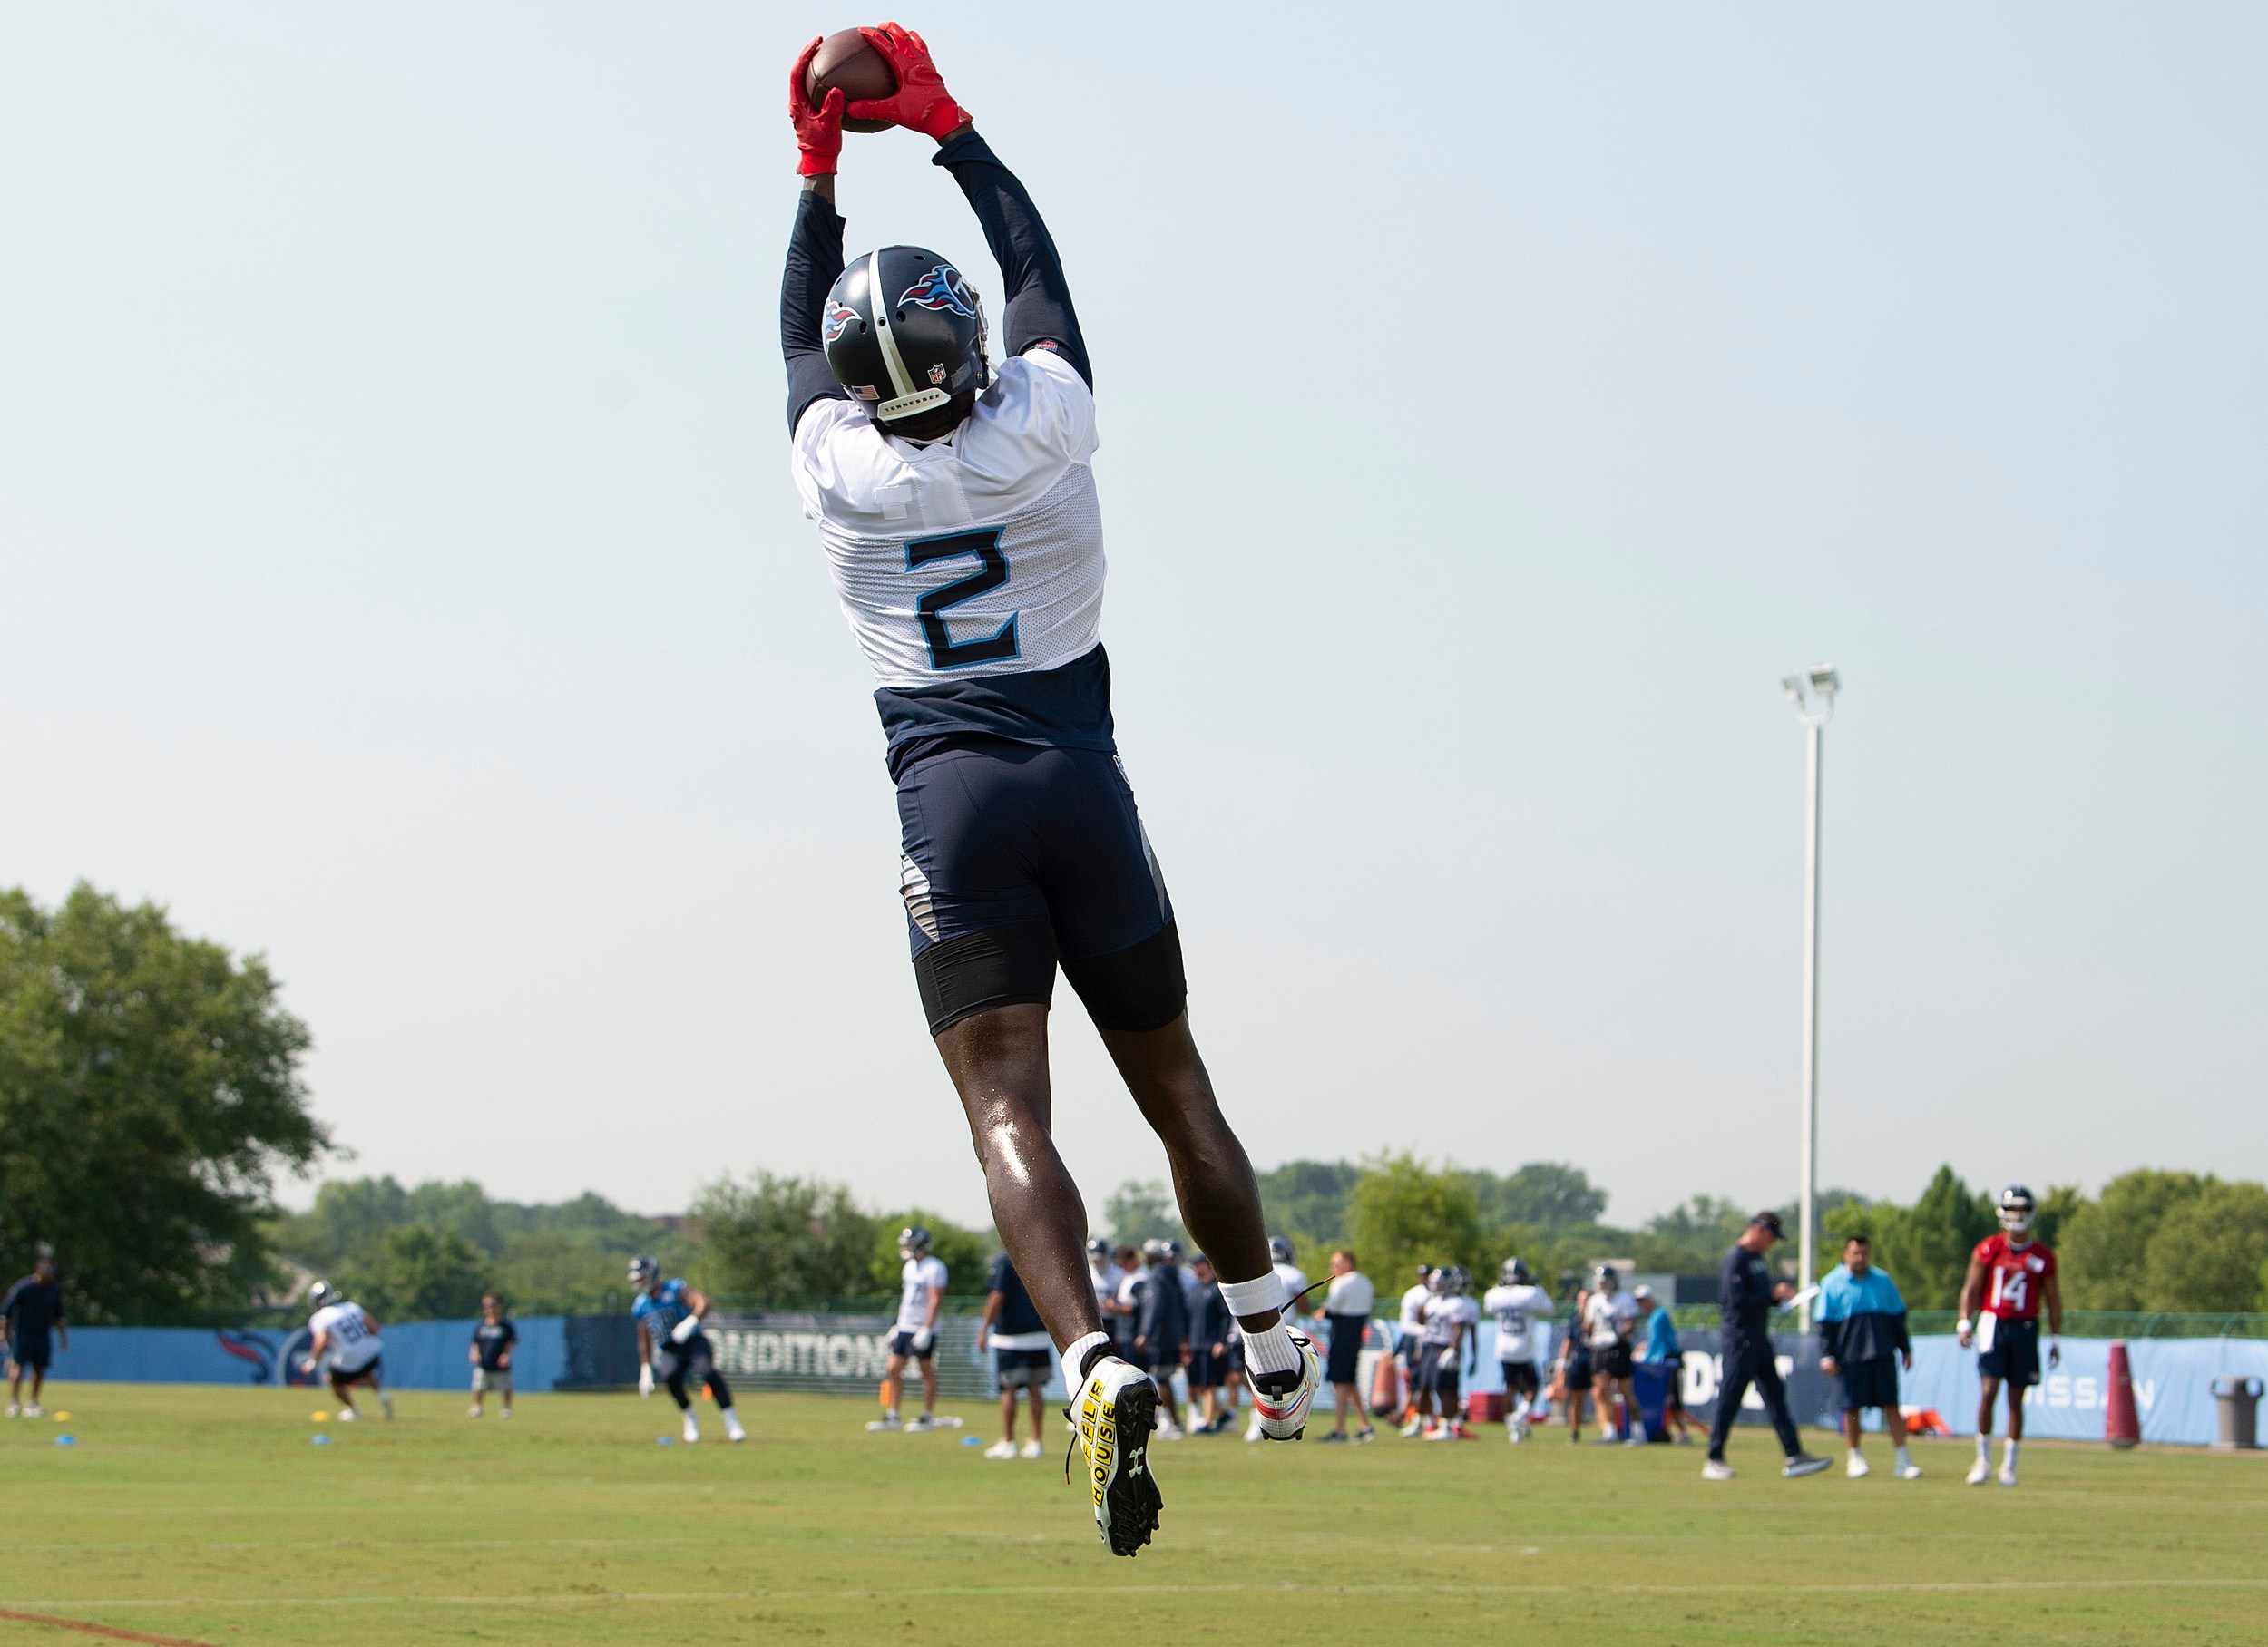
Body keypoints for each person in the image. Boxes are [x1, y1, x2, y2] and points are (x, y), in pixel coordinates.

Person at [781, 24, 1320, 1556]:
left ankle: (1089, 1351)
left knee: (1007, 1113)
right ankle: (1269, 1340)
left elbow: (793, 348)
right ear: (966, 352)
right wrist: (948, 128)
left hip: (952, 805)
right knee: (1180, 1088)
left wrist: (816, 170)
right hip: (1083, 783)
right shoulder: (1048, 424)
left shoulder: (839, 474)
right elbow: (1038, 270)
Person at [1702, 1213, 1829, 1479]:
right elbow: (1734, 1299)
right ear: (1759, 1231)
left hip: (1759, 1338)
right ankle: (1714, 1457)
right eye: (1771, 1237)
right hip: (1740, 1339)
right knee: (1730, 1397)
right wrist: (1770, 1295)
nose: (1771, 1244)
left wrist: (1777, 1296)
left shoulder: (1757, 1260)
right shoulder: (1735, 1258)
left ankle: (1794, 1455)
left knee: (1775, 1397)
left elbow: (1757, 1297)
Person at [1957, 1185, 2062, 1487]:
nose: (2018, 1216)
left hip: (2026, 1327)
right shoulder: (1988, 1249)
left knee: (2016, 1398)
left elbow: (2053, 1299)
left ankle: (2010, 1465)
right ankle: (1983, 1460)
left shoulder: (2042, 1256)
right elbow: (1972, 1288)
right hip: (1993, 1323)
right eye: (2013, 1210)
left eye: (2023, 1210)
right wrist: (1964, 1321)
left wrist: (2056, 1339)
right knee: (1988, 1391)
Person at [1817, 1237, 1920, 1479]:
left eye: (1864, 1253)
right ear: (1846, 1254)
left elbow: (1897, 1318)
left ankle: (1903, 1459)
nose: (1860, 1258)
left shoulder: (1883, 1280)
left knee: (1891, 1405)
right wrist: (1826, 1355)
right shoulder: (1832, 1283)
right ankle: (1855, 1457)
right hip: (1851, 1355)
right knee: (1852, 1407)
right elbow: (1825, 1324)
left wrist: (1905, 1349)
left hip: (1882, 1352)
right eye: (1855, 1253)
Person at [631, 1255, 746, 1444]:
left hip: (693, 1342)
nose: (640, 1283)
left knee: (706, 1371)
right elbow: (644, 1340)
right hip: (670, 1348)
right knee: (670, 1376)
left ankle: (731, 1420)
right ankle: (690, 1417)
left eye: (642, 1277)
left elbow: (703, 1302)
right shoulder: (640, 1305)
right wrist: (645, 1369)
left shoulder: (675, 1289)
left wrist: (691, 1321)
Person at [871, 1226, 955, 1433]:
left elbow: (936, 1300)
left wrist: (927, 1329)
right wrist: (898, 1325)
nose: (907, 1247)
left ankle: (927, 1416)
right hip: (906, 1326)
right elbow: (907, 1300)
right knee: (892, 1369)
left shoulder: (935, 1267)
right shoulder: (909, 1267)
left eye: (910, 1243)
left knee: (925, 1370)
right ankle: (893, 1415)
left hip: (924, 1328)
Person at [978, 1249, 1051, 1459]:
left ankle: (1009, 1441)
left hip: (1010, 1336)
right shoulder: (1039, 1255)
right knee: (1035, 1389)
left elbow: (997, 1295)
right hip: (1038, 1332)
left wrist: (984, 1328)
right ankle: (1036, 1441)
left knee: (1008, 1389)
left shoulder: (1005, 1259)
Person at [1243, 1237, 1312, 1443]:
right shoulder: (1295, 1275)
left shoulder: (1257, 1272)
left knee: (1258, 1380)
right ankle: (1289, 1425)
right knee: (1291, 1383)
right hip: (1287, 1332)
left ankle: (1257, 1424)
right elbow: (1304, 1307)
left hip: (1256, 1334)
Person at [1482, 1258, 1554, 1443]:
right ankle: (1521, 1414)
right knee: (1533, 1385)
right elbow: (1549, 1309)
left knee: (1510, 1387)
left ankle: (1513, 1428)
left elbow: (1488, 1306)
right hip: (1524, 1347)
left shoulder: (1495, 1294)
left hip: (1504, 1348)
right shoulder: (1530, 1293)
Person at [302, 1280, 392, 1422]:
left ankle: (355, 1411)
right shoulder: (351, 1307)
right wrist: (363, 1344)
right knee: (364, 1371)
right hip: (374, 1351)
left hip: (351, 1355)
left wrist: (312, 1362)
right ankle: (382, 1395)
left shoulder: (320, 1317)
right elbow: (374, 1328)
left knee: (333, 1379)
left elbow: (321, 1340)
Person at [1128, 1240, 1190, 1439]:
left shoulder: (1157, 1277)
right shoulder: (1174, 1277)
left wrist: (1145, 1334)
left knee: (1161, 1378)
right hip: (1171, 1336)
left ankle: (1168, 1422)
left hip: (1159, 1338)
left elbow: (1154, 1308)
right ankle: (1174, 1421)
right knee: (1165, 1378)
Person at [1314, 1250, 1375, 1444]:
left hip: (1342, 1335)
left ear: (1348, 1264)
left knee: (1340, 1382)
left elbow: (1330, 1310)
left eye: (1337, 1264)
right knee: (1349, 1381)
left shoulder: (1341, 1283)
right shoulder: (1365, 1282)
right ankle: (1365, 1425)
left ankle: (1340, 1429)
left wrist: (1322, 1312)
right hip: (1355, 1334)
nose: (1333, 1268)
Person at [1583, 1266, 1641, 1446]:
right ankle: (1610, 1430)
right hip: (1600, 1349)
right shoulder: (1594, 1301)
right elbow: (1588, 1325)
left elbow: (1630, 1324)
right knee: (1602, 1390)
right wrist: (1594, 1338)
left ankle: (1638, 1430)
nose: (1602, 1284)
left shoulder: (1625, 1299)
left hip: (1619, 1347)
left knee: (1625, 1390)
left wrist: (1617, 1335)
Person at [1419, 1266, 1479, 1440]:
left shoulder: (1456, 1304)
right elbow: (1422, 1321)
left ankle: (1447, 1425)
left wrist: (1453, 1349)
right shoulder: (1433, 1301)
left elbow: (1458, 1328)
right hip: (1429, 1347)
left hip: (1443, 1347)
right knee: (1426, 1386)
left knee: (1445, 1388)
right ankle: (1430, 1423)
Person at [1632, 1284, 1696, 1445]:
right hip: (1662, 1359)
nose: (1641, 1304)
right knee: (1667, 1399)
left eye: (1643, 1300)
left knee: (1672, 1398)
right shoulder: (1653, 1316)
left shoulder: (1658, 1316)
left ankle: (1682, 1432)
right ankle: (1674, 1430)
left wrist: (1645, 1360)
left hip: (1667, 1360)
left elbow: (1657, 1344)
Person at [4, 1257, 66, 1418]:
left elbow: (59, 1316)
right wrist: (3, 1332)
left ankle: (32, 1403)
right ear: (38, 1270)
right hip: (22, 1333)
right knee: (19, 1366)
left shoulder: (53, 1289)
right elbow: (6, 1312)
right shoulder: (24, 1287)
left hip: (42, 1334)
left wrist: (63, 1338)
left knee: (39, 1368)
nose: (50, 1275)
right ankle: (14, 1403)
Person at [1184, 1254, 1234, 1433]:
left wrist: (1221, 1341)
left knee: (1209, 1384)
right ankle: (1222, 1414)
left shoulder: (1216, 1289)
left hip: (1210, 1344)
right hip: (1196, 1344)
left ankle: (1207, 1422)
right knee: (1196, 1385)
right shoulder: (1194, 1290)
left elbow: (1225, 1317)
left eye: (1197, 1265)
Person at [1399, 1268, 1448, 1436]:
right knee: (1422, 1384)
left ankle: (1442, 1423)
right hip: (1425, 1343)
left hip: (1439, 1344)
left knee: (1438, 1386)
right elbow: (1414, 1322)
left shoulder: (1449, 1302)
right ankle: (1422, 1421)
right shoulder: (1421, 1296)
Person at [1394, 1265, 1432, 1427]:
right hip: (1415, 1338)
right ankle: (1409, 1415)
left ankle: (1408, 1415)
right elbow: (1413, 1322)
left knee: (1418, 1381)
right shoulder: (1419, 1294)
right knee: (1416, 1380)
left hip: (1415, 1337)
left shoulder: (1419, 1292)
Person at [1554, 1291, 1595, 1443]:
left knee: (1599, 1394)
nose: (1583, 1304)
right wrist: (1562, 1363)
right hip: (1579, 1361)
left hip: (1595, 1361)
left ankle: (1608, 1430)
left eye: (1586, 1300)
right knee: (1577, 1398)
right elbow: (1568, 1342)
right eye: (1581, 1301)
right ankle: (1574, 1431)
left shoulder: (1597, 1319)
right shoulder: (1575, 1320)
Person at [468, 1291, 516, 1418]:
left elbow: (510, 1342)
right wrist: (474, 1353)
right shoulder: (481, 1325)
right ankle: (477, 1407)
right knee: (478, 1386)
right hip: (483, 1363)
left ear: (500, 1306)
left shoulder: (505, 1326)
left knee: (506, 1386)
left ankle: (507, 1408)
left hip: (500, 1364)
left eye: (493, 1304)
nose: (490, 1308)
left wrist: (505, 1355)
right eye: (486, 1305)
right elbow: (475, 1343)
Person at [1086, 1238, 1129, 1356]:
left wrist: (1115, 1306)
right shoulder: (1087, 1271)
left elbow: (1126, 1300)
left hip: (1115, 1321)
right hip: (1094, 1321)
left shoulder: (1118, 1274)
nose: (1097, 1261)